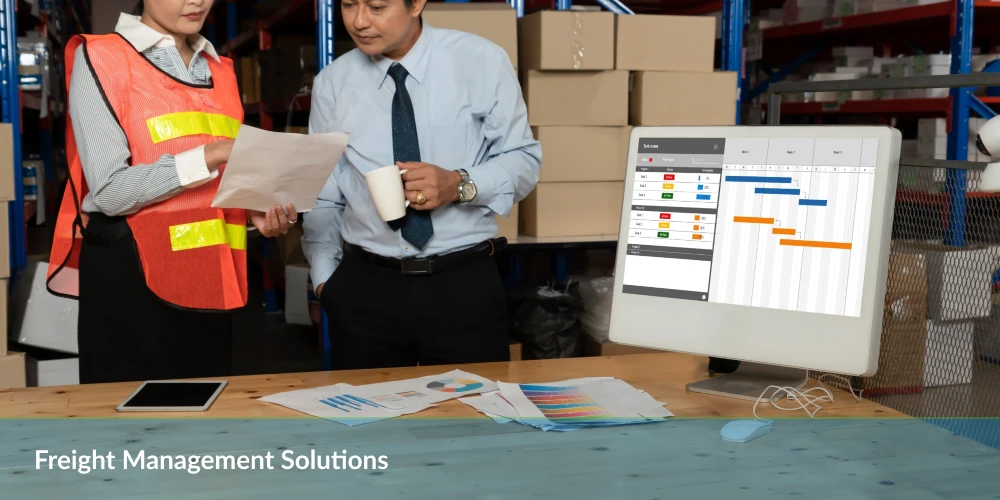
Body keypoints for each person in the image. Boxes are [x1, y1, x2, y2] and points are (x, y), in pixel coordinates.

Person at [46, 0, 297, 384]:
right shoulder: (101, 57)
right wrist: (211, 154)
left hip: (210, 279)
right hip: (131, 278)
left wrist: (251, 212)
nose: (196, 1)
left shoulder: (220, 69)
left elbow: (216, 187)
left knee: (203, 421)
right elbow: (111, 191)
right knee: (130, 431)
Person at [303, 0, 542, 370]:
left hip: (462, 287)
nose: (359, 21)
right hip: (365, 289)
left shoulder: (481, 62)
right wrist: (325, 282)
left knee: (472, 420)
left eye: (377, 6)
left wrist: (459, 185)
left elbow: (524, 160)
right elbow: (323, 194)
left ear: (417, 3)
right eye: (348, 5)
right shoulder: (332, 84)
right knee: (369, 422)